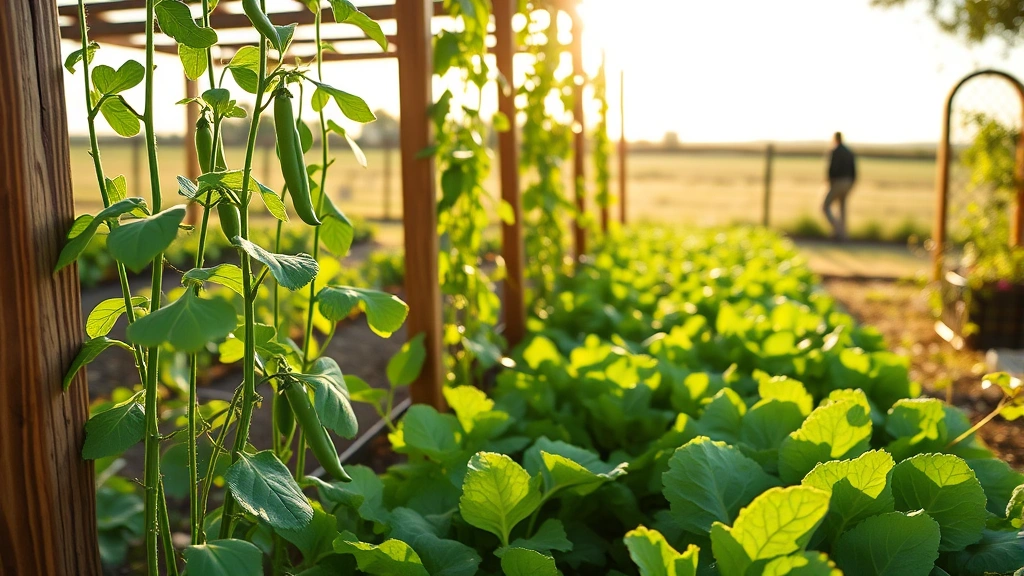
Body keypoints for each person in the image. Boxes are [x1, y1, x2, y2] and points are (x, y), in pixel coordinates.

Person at [823, 132, 857, 241]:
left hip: (837, 181)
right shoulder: (849, 151)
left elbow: (832, 168)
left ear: (835, 139)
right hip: (848, 182)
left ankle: (837, 229)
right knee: (842, 207)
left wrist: (829, 180)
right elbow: (854, 169)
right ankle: (843, 234)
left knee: (825, 206)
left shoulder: (835, 151)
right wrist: (852, 182)